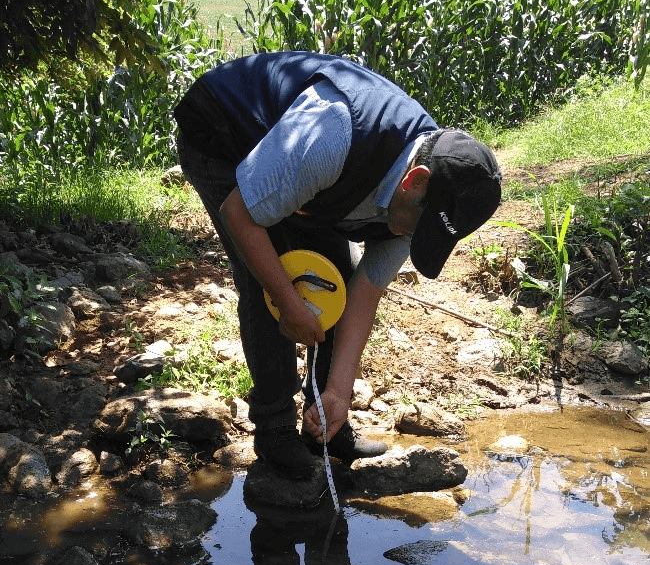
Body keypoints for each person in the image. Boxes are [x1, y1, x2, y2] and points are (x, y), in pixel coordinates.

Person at [174, 51, 501, 479]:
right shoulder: (333, 133)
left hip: (306, 169)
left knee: (337, 278)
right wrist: (289, 303)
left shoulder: (427, 193)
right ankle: (274, 430)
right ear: (413, 181)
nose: (413, 240)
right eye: (420, 230)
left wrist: (339, 391)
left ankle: (325, 423)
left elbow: (364, 291)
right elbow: (242, 215)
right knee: (268, 283)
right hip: (223, 132)